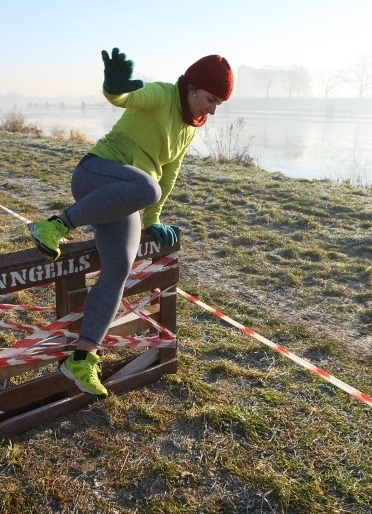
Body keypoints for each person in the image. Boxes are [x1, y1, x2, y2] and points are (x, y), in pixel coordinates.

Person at [28, 47, 234, 398]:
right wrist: (115, 84)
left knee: (119, 268)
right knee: (146, 186)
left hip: (127, 197)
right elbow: (124, 97)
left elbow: (168, 174)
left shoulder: (189, 127)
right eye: (211, 99)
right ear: (192, 88)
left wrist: (153, 221)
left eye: (218, 104)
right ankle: (55, 226)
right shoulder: (161, 95)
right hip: (95, 174)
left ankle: (82, 357)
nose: (212, 110)